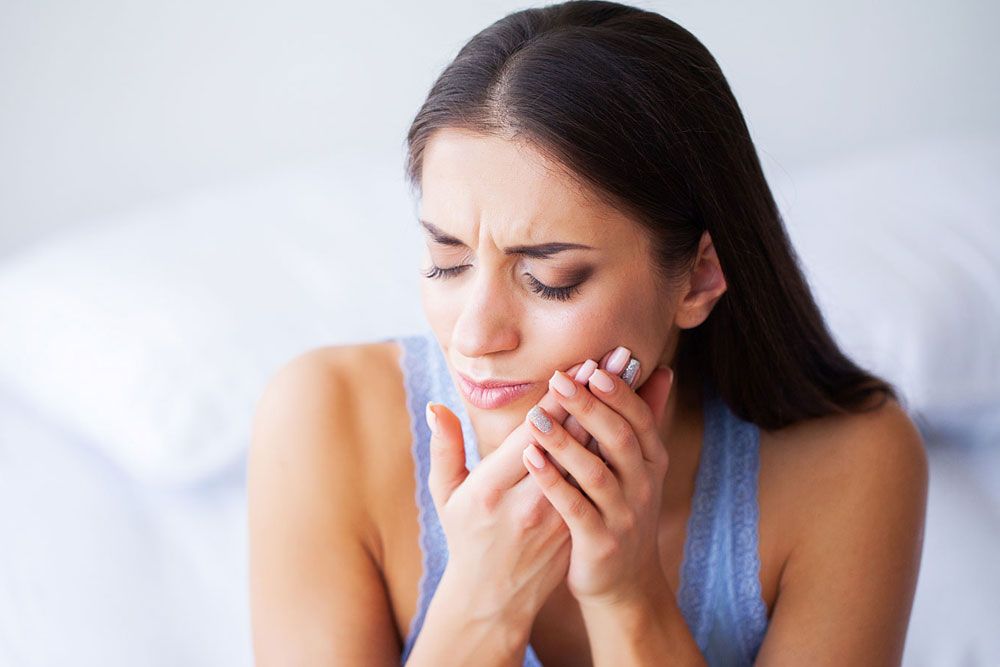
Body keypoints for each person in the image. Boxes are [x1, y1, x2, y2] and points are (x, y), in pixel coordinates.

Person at [247, 1, 929, 665]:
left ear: (698, 277)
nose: (476, 335)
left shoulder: (850, 461)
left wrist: (629, 600)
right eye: (446, 263)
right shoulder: (322, 417)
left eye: (552, 279)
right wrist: (485, 597)